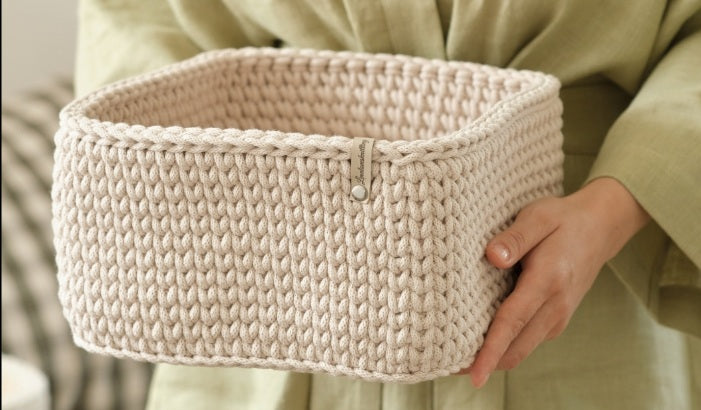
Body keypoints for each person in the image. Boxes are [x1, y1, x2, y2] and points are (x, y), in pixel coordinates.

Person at [75, 1, 701, 408]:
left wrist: (611, 209)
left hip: (579, 257)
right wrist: (183, 166)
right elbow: (138, 20)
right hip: (260, 264)